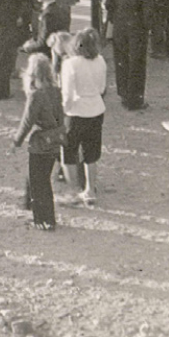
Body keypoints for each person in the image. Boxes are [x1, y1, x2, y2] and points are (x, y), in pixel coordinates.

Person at [12, 53, 65, 231]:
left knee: (38, 181)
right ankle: (37, 210)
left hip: (40, 142)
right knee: (42, 177)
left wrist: (16, 142)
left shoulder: (35, 95)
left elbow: (27, 122)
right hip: (55, 139)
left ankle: (43, 219)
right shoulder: (57, 91)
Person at [60, 28, 106, 206]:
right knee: (91, 153)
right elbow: (102, 88)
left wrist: (64, 110)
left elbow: (68, 93)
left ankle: (72, 192)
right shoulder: (100, 61)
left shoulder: (70, 64)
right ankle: (90, 190)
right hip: (96, 109)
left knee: (69, 153)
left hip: (76, 112)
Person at [106, 0, 152, 110]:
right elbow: (147, 13)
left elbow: (109, 3)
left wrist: (113, 19)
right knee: (137, 62)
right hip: (137, 28)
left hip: (120, 25)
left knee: (121, 59)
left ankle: (124, 93)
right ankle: (135, 98)